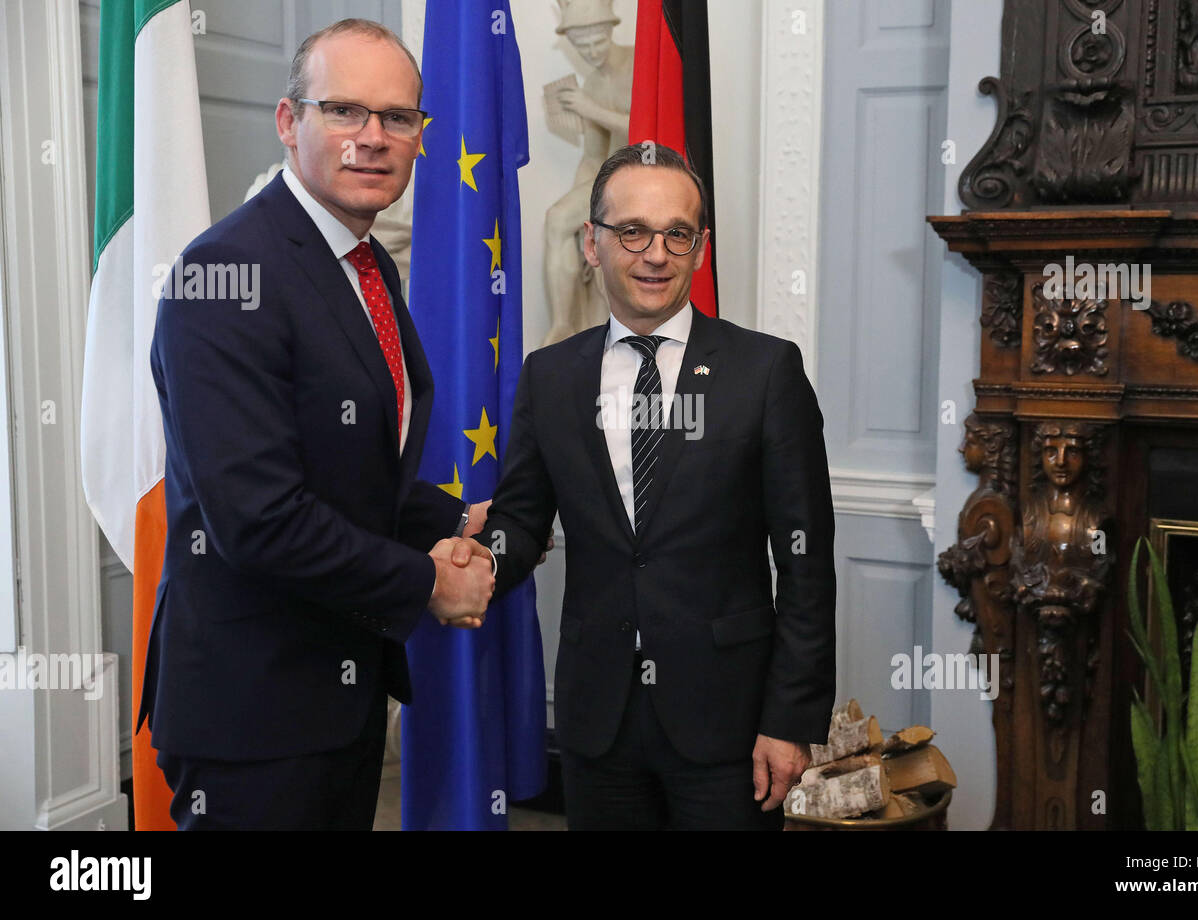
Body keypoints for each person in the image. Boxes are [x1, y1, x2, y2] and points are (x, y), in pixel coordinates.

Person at [135, 18, 496, 830]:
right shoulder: (223, 275)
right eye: (344, 111)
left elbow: (350, 468)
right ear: (289, 122)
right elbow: (260, 518)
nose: (373, 138)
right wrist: (431, 581)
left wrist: (460, 519)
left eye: (398, 118)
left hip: (339, 694)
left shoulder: (368, 265)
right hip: (252, 715)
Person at [477, 143, 837, 830]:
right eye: (633, 231)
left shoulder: (764, 373)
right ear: (592, 243)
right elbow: (522, 518)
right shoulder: (550, 377)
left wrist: (789, 721)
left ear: (700, 249)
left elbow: (806, 566)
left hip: (728, 729)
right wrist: (480, 559)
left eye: (678, 234)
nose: (655, 254)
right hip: (595, 720)